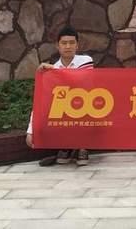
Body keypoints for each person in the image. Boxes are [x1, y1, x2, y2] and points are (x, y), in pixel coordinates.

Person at [26, 26, 93, 166]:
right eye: (64, 43)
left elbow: (78, 80)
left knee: (83, 105)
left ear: (77, 45)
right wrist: (31, 131)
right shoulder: (51, 71)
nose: (68, 46)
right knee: (54, 108)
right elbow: (41, 102)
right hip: (64, 111)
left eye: (72, 43)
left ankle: (82, 146)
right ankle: (66, 145)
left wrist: (53, 70)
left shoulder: (86, 60)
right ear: (58, 46)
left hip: (86, 107)